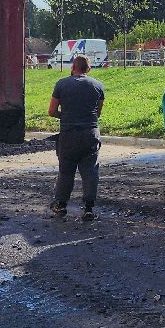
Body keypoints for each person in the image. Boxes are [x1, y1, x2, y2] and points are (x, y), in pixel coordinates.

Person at [48, 54, 104, 221]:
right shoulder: (98, 86)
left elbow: (51, 111)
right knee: (90, 171)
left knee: (66, 171)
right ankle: (88, 208)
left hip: (68, 134)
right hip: (90, 134)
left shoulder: (62, 84)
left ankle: (61, 205)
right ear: (89, 69)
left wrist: (65, 116)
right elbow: (98, 113)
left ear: (73, 68)